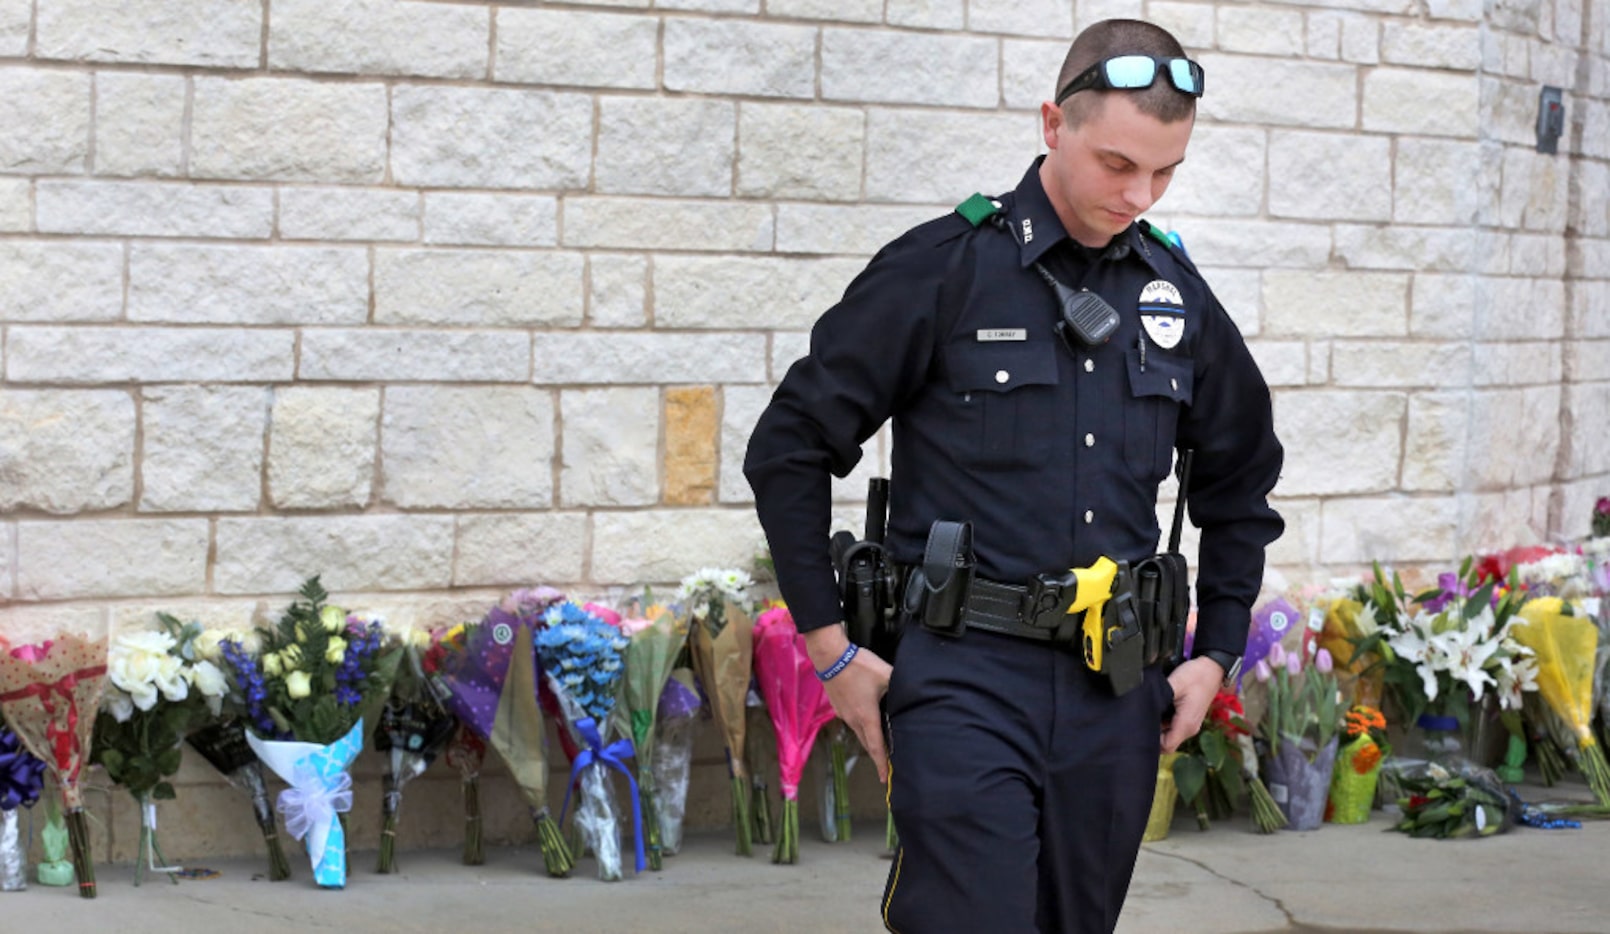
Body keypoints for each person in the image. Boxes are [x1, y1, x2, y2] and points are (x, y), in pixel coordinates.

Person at [744, 18, 1283, 934]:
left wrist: (1216, 653)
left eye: (1164, 173)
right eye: (1118, 164)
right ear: (1052, 124)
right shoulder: (945, 269)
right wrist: (830, 651)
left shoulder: (1175, 296)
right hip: (962, 679)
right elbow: (788, 448)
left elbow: (1239, 486)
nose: (1139, 193)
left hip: (1114, 692)